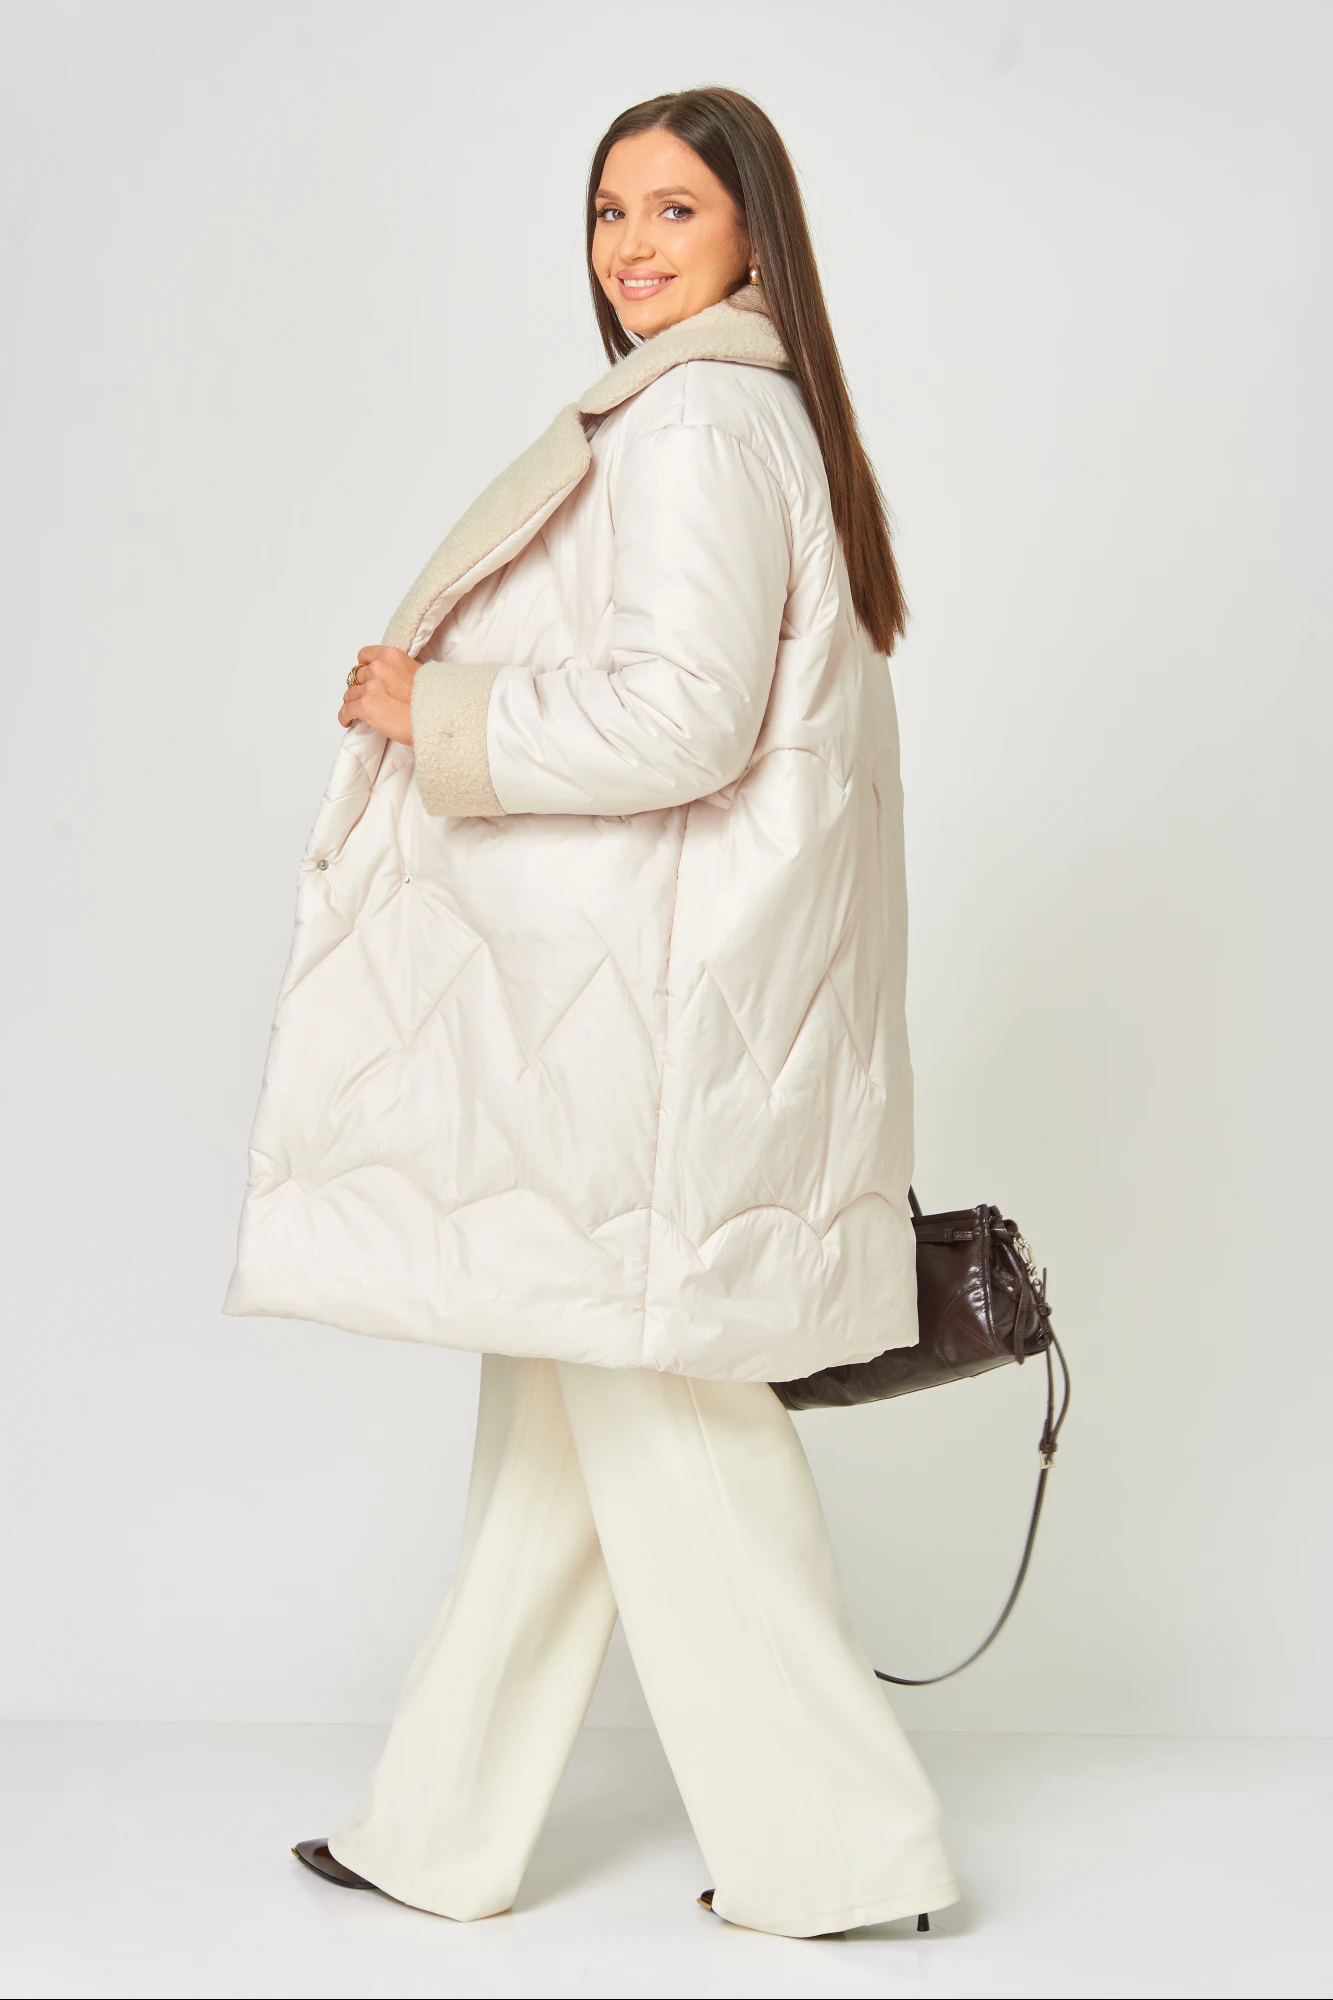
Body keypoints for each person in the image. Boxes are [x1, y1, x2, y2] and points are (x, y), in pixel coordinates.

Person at [225, 85, 959, 1940]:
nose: (631, 245)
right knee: (559, 1430)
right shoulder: (750, 411)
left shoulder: (700, 417)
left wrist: (439, 711)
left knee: (669, 1429)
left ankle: (841, 1856)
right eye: (611, 211)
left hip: (657, 1028)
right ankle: (441, 1827)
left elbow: (681, 718)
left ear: (753, 235)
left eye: (674, 210)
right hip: (677, 1010)